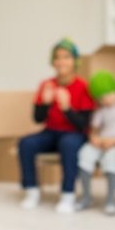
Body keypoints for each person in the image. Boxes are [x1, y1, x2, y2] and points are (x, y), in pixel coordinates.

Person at [18, 38, 95, 213]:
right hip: (51, 131)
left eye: (66, 57)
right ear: (53, 61)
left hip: (75, 132)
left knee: (68, 145)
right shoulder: (46, 84)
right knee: (26, 143)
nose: (61, 61)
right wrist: (45, 103)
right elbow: (37, 119)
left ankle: (68, 195)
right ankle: (32, 191)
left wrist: (67, 108)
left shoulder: (83, 86)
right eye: (58, 57)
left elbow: (83, 124)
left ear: (75, 61)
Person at [76, 70, 115, 215]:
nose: (104, 101)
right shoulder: (101, 110)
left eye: (106, 96)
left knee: (111, 161)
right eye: (100, 99)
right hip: (102, 141)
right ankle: (86, 196)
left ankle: (111, 200)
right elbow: (94, 130)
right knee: (84, 155)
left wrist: (114, 141)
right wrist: (94, 138)